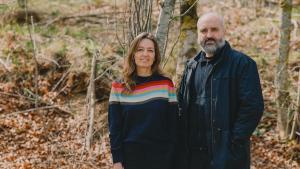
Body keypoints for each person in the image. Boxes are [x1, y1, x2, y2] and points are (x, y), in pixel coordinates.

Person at [176, 12, 264, 169]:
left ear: (224, 31)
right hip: (193, 158)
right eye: (203, 31)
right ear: (198, 34)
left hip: (226, 158)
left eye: (214, 30)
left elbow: (252, 108)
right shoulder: (191, 66)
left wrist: (233, 145)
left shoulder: (242, 64)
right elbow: (182, 107)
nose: (209, 35)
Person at [108, 32, 178, 169]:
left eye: (150, 50)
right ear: (133, 54)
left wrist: (173, 158)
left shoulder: (166, 84)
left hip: (162, 159)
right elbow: (115, 128)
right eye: (140, 50)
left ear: (155, 56)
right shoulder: (118, 87)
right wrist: (117, 161)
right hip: (130, 159)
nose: (145, 54)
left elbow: (174, 126)